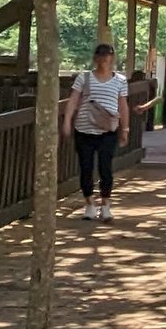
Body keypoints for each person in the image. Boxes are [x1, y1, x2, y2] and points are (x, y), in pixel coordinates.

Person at [64, 41, 131, 220]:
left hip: (107, 131)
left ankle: (106, 204)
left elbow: (122, 105)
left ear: (112, 58)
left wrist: (125, 128)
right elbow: (73, 100)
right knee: (86, 168)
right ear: (95, 58)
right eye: (100, 55)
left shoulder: (120, 80)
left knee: (105, 167)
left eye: (107, 55)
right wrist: (67, 120)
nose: (103, 59)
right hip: (84, 129)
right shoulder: (84, 78)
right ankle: (89, 203)